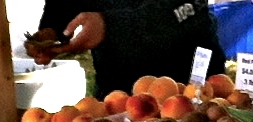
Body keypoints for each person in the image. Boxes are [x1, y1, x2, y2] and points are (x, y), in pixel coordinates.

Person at [29, 1, 226, 98]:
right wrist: (52, 29)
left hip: (190, 83)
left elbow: (189, 5)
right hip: (118, 86)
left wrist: (110, 26)